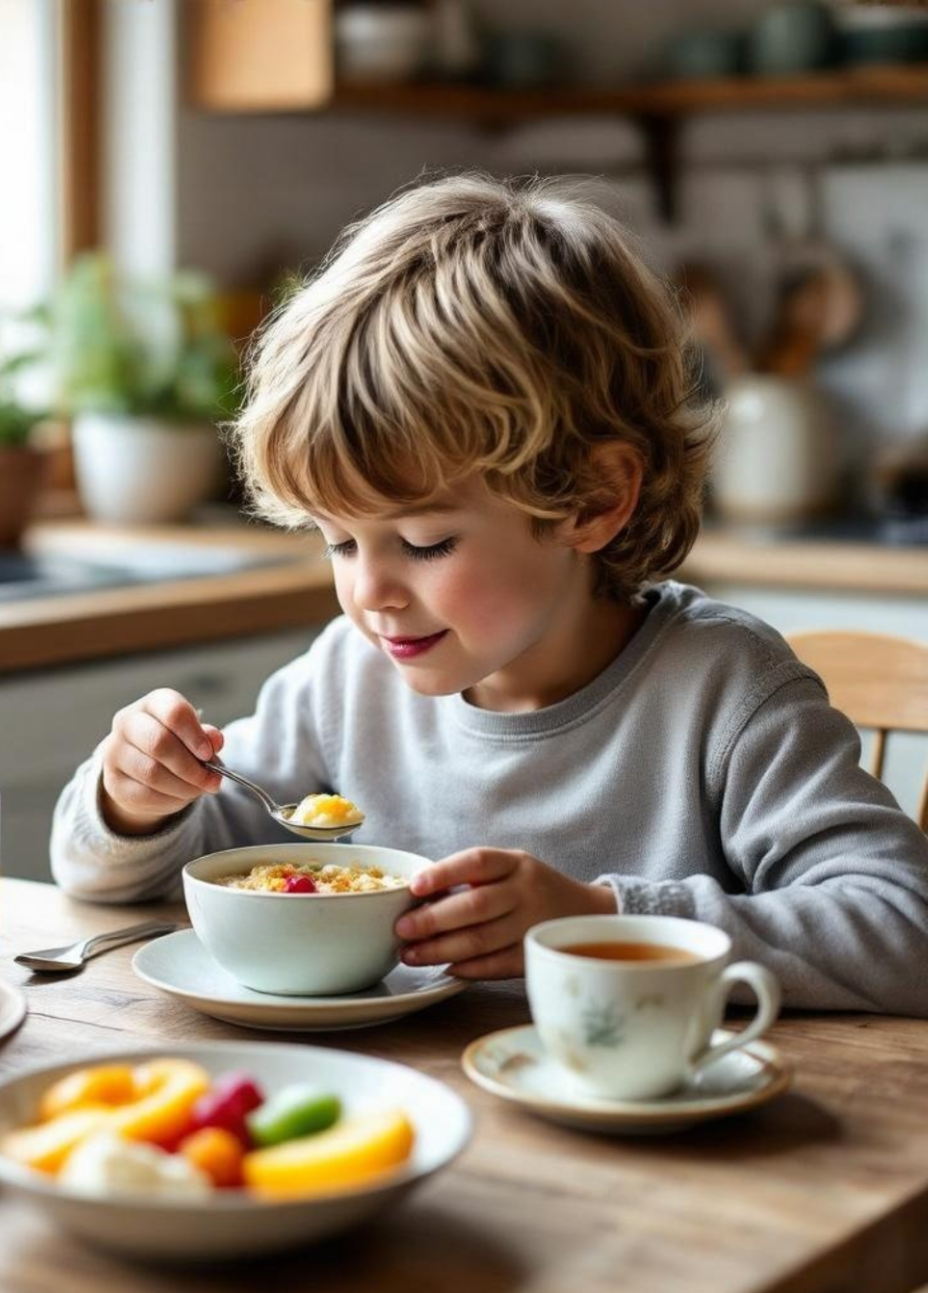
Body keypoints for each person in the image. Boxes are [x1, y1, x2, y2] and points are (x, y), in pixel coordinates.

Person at [51, 173, 928, 1015]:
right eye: (339, 542)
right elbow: (132, 878)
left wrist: (602, 921)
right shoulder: (346, 683)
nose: (371, 593)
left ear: (592, 501)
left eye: (426, 543)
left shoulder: (725, 694)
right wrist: (133, 801)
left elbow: (903, 930)